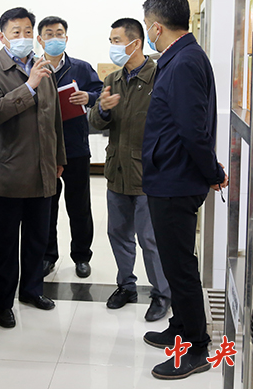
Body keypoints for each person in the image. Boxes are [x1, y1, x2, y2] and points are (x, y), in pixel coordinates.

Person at [141, 0, 228, 380]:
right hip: (170, 176)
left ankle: (195, 347)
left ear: (157, 27)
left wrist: (212, 173)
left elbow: (194, 130)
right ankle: (180, 326)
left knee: (179, 267)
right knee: (175, 260)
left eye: (148, 26)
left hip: (175, 180)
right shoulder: (182, 57)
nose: (149, 33)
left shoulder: (184, 62)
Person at [0, 7, 66, 329]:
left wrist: (59, 158)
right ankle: (3, 303)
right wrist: (28, 86)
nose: (24, 37)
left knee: (37, 238)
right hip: (9, 173)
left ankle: (31, 290)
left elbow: (54, 118)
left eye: (28, 31)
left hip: (43, 170)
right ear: (2, 37)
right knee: (4, 244)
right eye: (17, 32)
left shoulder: (43, 67)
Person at [89, 18, 171, 323]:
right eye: (110, 41)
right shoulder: (112, 79)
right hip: (117, 170)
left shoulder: (159, 77)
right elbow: (95, 122)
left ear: (135, 43)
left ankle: (162, 293)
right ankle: (126, 285)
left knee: (150, 239)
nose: (112, 47)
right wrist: (102, 108)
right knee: (118, 233)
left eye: (117, 41)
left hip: (149, 174)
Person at [36, 16, 102, 279]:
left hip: (75, 148)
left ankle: (82, 256)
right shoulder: (33, 68)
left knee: (79, 207)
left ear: (66, 37)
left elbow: (100, 93)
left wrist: (89, 97)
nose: (55, 38)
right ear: (40, 39)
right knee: (47, 208)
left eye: (59, 33)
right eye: (49, 34)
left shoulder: (81, 68)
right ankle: (47, 256)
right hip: (44, 150)